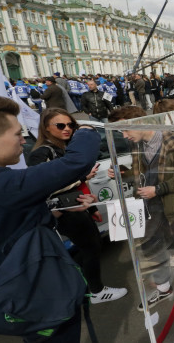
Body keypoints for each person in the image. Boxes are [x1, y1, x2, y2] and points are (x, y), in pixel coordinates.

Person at [0, 96, 100, 342]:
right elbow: (77, 161)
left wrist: (58, 209)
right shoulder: (4, 185)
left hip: (27, 294)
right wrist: (85, 128)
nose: (23, 140)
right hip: (41, 295)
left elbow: (13, 223)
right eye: (17, 134)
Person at [26, 108, 128, 305]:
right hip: (66, 212)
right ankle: (97, 291)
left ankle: (80, 283)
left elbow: (74, 182)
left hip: (77, 207)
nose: (67, 129)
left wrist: (91, 207)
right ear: (46, 128)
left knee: (92, 246)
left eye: (71, 125)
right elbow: (42, 185)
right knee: (91, 248)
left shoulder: (65, 148)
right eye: (60, 125)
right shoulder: (42, 152)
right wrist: (79, 180)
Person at [107, 106, 174, 311]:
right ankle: (164, 287)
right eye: (121, 132)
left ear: (140, 123)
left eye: (126, 130)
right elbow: (141, 172)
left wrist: (158, 189)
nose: (124, 136)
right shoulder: (137, 144)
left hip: (171, 205)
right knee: (152, 248)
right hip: (147, 207)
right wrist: (123, 173)